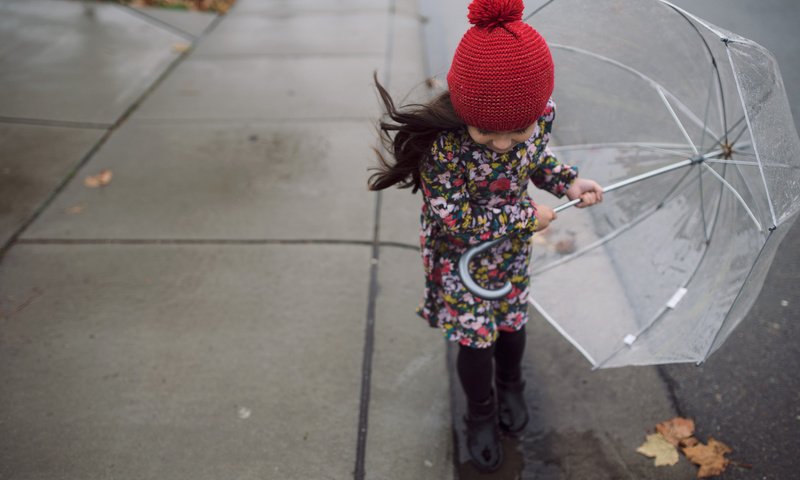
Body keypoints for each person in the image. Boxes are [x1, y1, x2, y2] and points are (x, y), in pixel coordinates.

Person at [368, 0, 603, 472]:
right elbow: (453, 216)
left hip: (510, 252)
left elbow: (536, 158)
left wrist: (567, 182)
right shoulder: (445, 150)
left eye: (518, 130)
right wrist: (523, 218)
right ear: (463, 111)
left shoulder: (537, 119)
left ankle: (512, 381)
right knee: (475, 338)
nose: (502, 143)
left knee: (513, 321)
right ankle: (480, 410)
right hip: (460, 257)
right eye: (486, 132)